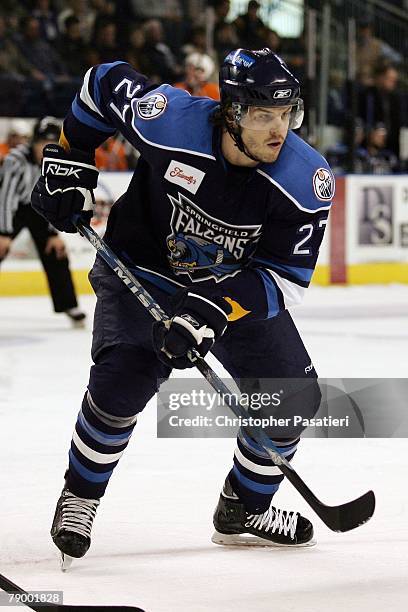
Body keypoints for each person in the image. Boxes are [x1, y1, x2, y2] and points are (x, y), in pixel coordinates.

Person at [31, 49, 334, 561]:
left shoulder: (304, 180)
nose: (279, 130)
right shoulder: (170, 120)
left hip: (229, 291)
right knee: (120, 384)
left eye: (286, 115)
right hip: (143, 270)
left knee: (291, 396)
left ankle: (244, 508)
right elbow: (102, 83)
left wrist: (209, 313)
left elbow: (282, 278)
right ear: (232, 112)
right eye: (263, 116)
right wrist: (70, 162)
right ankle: (80, 496)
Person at [0, 116, 86, 327]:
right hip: (10, 209)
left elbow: (52, 198)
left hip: (37, 209)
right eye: (41, 143)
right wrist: (3, 233)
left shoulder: (57, 163)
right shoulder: (15, 159)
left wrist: (53, 233)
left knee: (56, 251)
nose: (45, 148)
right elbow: (5, 197)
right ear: (33, 142)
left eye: (51, 144)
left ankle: (68, 304)